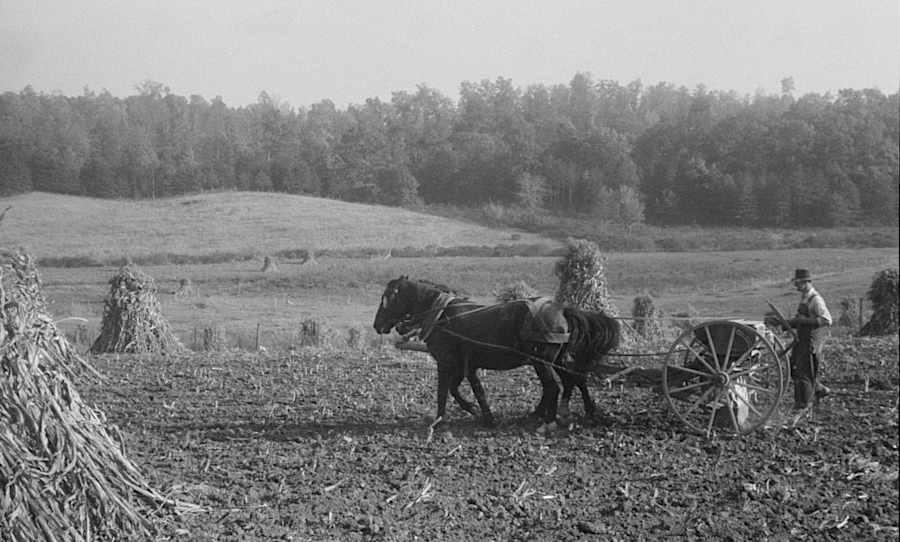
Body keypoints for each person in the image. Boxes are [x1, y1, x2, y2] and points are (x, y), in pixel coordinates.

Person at [781, 269, 833, 412]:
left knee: (805, 372)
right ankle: (818, 389)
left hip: (811, 340)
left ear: (805, 282)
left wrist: (807, 321)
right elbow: (799, 320)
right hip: (801, 339)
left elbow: (827, 320)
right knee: (794, 369)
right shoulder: (804, 298)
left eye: (798, 283)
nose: (796, 286)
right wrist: (784, 323)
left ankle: (803, 404)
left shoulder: (815, 299)